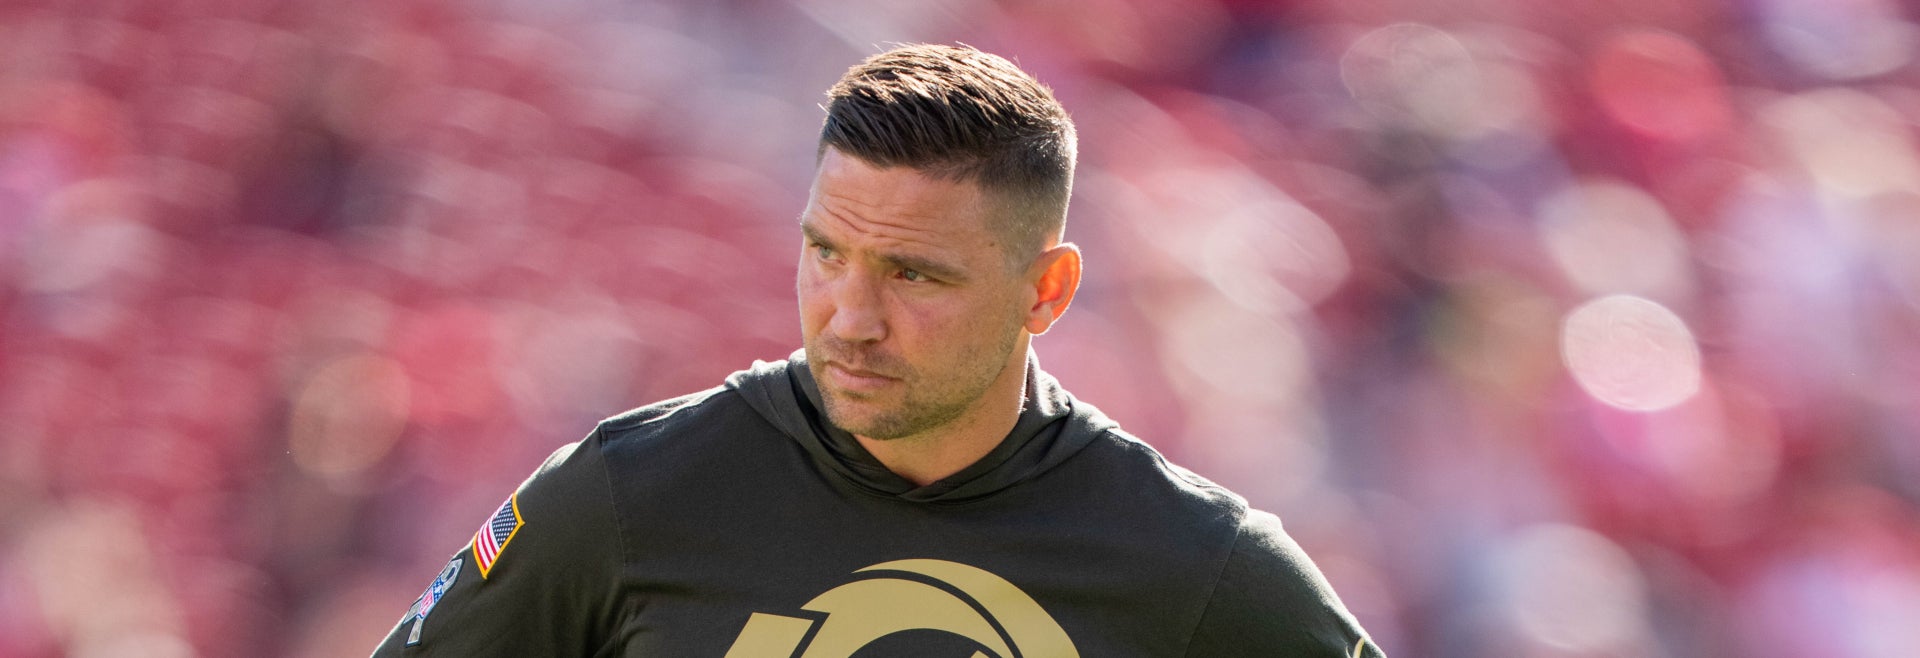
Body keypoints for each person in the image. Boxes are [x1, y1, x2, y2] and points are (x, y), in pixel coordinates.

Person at [371, 43, 1384, 657]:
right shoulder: (629, 494)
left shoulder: (1200, 564)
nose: (849, 316)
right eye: (825, 252)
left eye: (915, 275)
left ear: (1047, 290)